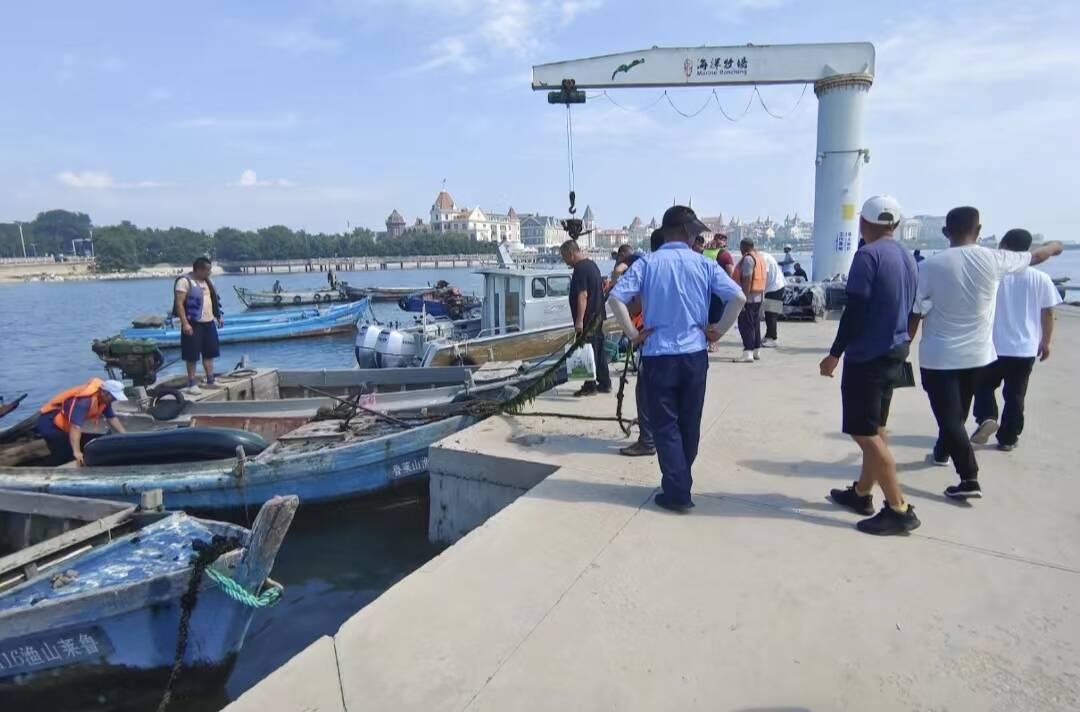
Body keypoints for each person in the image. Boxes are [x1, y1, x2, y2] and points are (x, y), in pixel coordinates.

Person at [909, 207, 1062, 499]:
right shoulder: (994, 259)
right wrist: (1055, 246)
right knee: (957, 414)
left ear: (945, 232)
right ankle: (942, 451)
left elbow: (916, 310)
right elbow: (1037, 257)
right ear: (978, 231)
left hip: (939, 356)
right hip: (977, 356)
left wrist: (905, 342)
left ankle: (969, 478)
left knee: (949, 417)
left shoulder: (929, 266)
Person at [609, 206, 745, 512]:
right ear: (684, 232)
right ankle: (679, 482)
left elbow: (616, 298)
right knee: (689, 422)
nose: (697, 236)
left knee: (665, 425)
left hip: (659, 355)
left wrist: (633, 334)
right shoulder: (703, 264)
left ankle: (678, 489)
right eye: (695, 231)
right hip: (694, 355)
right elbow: (738, 297)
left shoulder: (647, 264)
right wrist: (718, 332)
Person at [820, 196, 919, 535]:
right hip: (895, 349)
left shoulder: (866, 256)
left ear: (862, 223)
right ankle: (862, 493)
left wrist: (835, 353)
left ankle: (898, 508)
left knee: (865, 434)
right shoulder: (907, 256)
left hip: (869, 356)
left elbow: (855, 309)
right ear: (894, 224)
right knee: (875, 427)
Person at [971, 229, 1063, 451]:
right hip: (1024, 348)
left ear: (1002, 245)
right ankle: (1008, 438)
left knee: (982, 385)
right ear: (1028, 250)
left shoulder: (993, 274)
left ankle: (987, 417)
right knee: (1015, 395)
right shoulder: (1041, 278)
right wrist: (1046, 341)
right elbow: (1048, 312)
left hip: (992, 346)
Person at [611, 240, 654, 458]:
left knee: (645, 393)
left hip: (651, 342)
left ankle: (647, 441)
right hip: (682, 346)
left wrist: (633, 335)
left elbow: (623, 301)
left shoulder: (638, 267)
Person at [35, 378, 127, 466]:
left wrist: (125, 435)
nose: (115, 400)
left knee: (84, 443)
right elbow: (75, 427)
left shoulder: (104, 400)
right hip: (49, 422)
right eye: (113, 397)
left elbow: (111, 418)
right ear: (104, 392)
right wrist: (77, 452)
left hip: (65, 425)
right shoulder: (84, 402)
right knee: (66, 449)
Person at [561, 240, 611, 397]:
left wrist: (579, 320)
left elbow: (583, 295)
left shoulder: (580, 269)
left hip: (588, 319)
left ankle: (590, 386)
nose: (565, 261)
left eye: (565, 257)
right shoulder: (592, 265)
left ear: (571, 253)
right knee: (599, 350)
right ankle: (605, 382)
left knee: (589, 351)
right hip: (597, 315)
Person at [175, 257, 224, 395]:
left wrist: (219, 315)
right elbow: (179, 304)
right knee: (192, 354)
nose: (209, 272)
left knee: (209, 352)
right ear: (199, 269)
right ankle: (191, 383)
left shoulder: (209, 282)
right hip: (193, 323)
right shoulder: (184, 282)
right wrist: (185, 323)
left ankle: (210, 380)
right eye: (207, 270)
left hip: (209, 322)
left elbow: (214, 300)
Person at [733, 238, 766, 363]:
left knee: (745, 325)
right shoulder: (759, 258)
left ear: (744, 247)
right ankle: (756, 349)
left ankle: (748, 352)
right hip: (758, 297)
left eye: (741, 247)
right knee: (755, 324)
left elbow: (747, 280)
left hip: (749, 298)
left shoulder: (748, 259)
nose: (740, 250)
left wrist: (743, 300)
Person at [760, 250, 787, 348]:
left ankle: (773, 339)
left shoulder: (763, 258)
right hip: (777, 286)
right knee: (769, 314)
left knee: (771, 314)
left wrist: (760, 292)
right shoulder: (764, 255)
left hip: (775, 288)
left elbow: (764, 275)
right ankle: (769, 335)